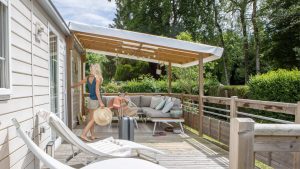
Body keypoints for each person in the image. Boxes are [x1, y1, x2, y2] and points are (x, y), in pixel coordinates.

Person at [71, 64, 104, 142]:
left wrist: (70, 86)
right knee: (94, 119)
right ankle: (83, 134)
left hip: (90, 100)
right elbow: (97, 91)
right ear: (97, 69)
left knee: (91, 119)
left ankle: (92, 135)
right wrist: (101, 102)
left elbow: (78, 83)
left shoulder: (88, 78)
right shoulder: (97, 78)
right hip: (95, 100)